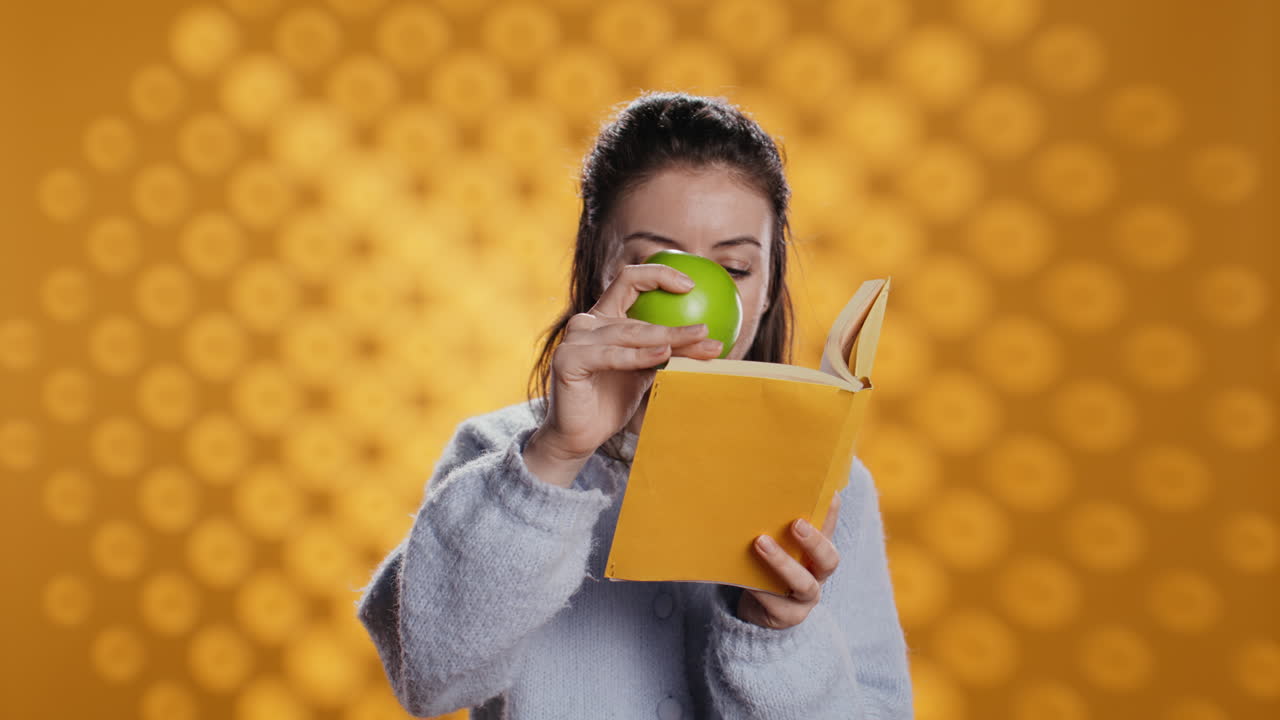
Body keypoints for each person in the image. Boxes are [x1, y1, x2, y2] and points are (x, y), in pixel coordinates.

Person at [356, 91, 914, 719]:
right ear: (598, 265)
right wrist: (554, 458)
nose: (693, 292)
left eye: (732, 268)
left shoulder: (831, 484)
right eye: (654, 261)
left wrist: (776, 636)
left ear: (767, 289)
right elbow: (429, 679)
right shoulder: (497, 456)